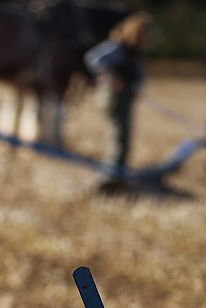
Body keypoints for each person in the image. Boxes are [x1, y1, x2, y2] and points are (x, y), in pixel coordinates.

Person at [83, 12, 154, 189]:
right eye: (145, 33)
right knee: (119, 136)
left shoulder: (134, 50)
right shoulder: (118, 46)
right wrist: (111, 78)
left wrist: (138, 85)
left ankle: (117, 175)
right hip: (113, 96)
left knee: (123, 137)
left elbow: (139, 73)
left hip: (125, 97)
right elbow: (93, 58)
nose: (148, 38)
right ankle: (110, 178)